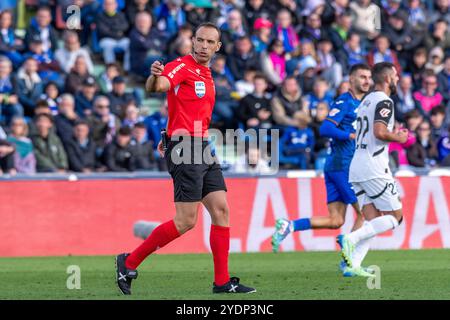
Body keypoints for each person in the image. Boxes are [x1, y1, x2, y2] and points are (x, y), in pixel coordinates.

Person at [115, 22, 255, 295]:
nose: (203, 46)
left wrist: (170, 131)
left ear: (218, 47)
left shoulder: (207, 72)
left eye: (209, 42)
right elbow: (159, 85)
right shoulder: (182, 66)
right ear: (192, 41)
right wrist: (155, 76)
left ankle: (222, 282)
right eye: (199, 40)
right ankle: (128, 262)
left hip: (202, 146)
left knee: (221, 210)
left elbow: (187, 109)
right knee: (186, 221)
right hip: (185, 149)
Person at [272, 64, 375, 277]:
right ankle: (350, 262)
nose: (366, 81)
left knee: (336, 220)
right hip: (343, 165)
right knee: (365, 212)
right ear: (351, 79)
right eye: (362, 77)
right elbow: (325, 127)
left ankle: (289, 226)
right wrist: (350, 136)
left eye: (369, 77)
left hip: (337, 165)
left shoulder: (362, 103)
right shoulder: (344, 102)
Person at [338, 62, 408, 273]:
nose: (397, 79)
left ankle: (353, 266)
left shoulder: (366, 101)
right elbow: (379, 132)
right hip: (374, 166)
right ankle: (350, 238)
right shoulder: (385, 102)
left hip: (357, 166)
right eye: (395, 76)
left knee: (373, 220)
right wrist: (399, 137)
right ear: (387, 79)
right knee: (396, 218)